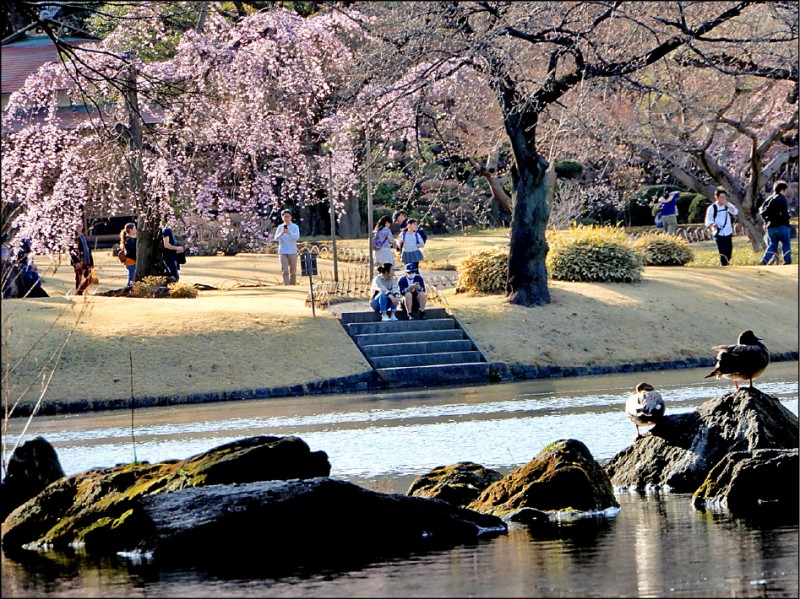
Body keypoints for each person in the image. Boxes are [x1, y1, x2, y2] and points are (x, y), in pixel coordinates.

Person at [759, 180, 792, 266]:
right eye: (785, 190)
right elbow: (785, 213)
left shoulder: (769, 199)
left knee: (772, 244)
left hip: (771, 227)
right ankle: (786, 261)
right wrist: (788, 217)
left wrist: (765, 222)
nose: (786, 192)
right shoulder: (781, 198)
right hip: (782, 226)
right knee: (786, 244)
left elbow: (762, 211)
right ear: (782, 190)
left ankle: (765, 260)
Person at [704, 188, 738, 266]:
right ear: (716, 197)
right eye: (721, 197)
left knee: (729, 250)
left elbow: (735, 212)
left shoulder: (727, 205)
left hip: (727, 231)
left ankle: (727, 263)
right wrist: (713, 224)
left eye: (724, 197)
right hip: (718, 232)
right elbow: (708, 220)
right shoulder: (712, 208)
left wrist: (728, 205)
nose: (723, 199)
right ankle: (724, 265)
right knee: (722, 251)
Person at [274, 209, 300, 285]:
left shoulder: (295, 227)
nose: (286, 218)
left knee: (293, 270)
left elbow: (297, 237)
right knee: (284, 270)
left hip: (292, 251)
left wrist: (289, 233)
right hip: (283, 251)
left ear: (291, 217)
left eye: (288, 216)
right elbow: (276, 238)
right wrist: (281, 233)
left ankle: (293, 284)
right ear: (282, 218)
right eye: (284, 217)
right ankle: (286, 284)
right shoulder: (280, 227)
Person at [69, 222, 95, 295]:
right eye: (77, 225)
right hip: (79, 261)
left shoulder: (83, 235)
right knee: (79, 278)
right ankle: (78, 293)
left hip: (87, 261)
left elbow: (88, 249)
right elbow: (71, 250)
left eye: (80, 225)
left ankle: (80, 291)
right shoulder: (73, 236)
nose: (79, 227)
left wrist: (91, 262)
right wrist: (76, 261)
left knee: (89, 278)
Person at [120, 223, 137, 287]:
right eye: (134, 228)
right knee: (131, 278)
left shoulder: (130, 239)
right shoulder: (129, 240)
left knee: (132, 277)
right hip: (131, 261)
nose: (136, 230)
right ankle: (128, 288)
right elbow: (133, 251)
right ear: (130, 230)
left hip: (131, 261)